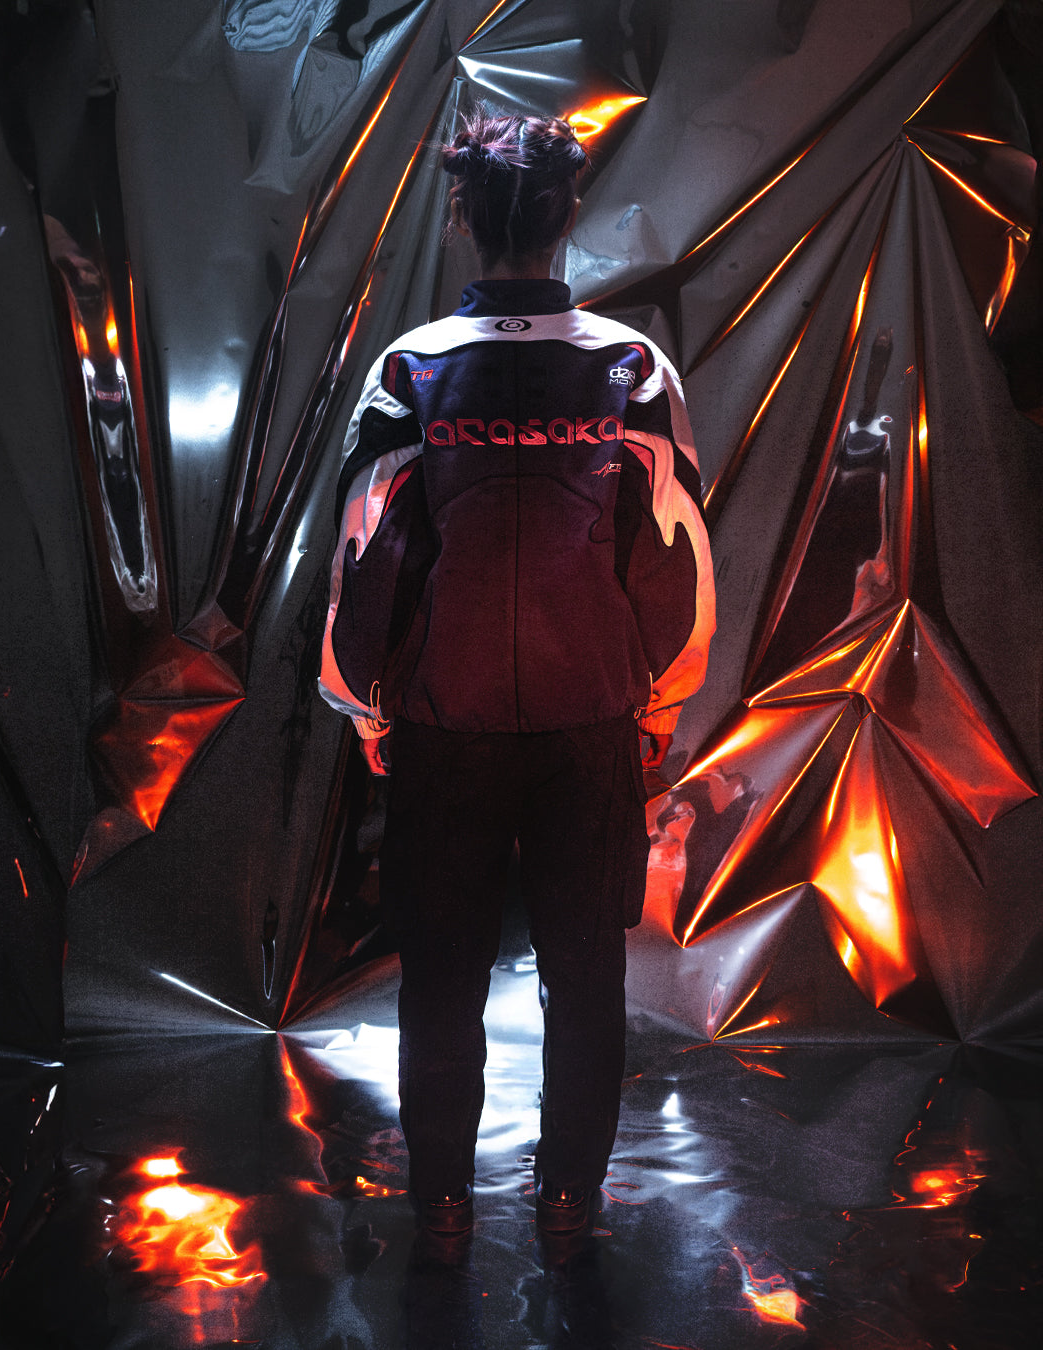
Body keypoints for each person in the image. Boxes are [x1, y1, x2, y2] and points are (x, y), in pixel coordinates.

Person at [318, 110, 715, 1236]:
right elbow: (677, 552)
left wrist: (367, 711)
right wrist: (659, 707)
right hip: (593, 722)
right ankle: (570, 1202)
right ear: (567, 216)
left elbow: (363, 552)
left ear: (462, 217)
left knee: (440, 974)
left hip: (444, 725)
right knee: (586, 978)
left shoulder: (412, 368)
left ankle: (444, 1208)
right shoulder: (630, 368)